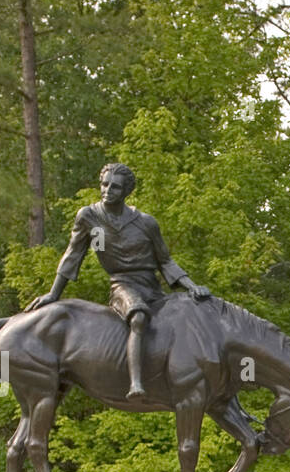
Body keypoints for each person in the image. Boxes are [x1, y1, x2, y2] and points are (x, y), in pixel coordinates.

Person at [25, 163, 210, 399]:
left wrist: (193, 287)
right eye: (104, 184)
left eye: (115, 187)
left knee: (194, 318)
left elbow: (166, 262)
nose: (107, 190)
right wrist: (53, 294)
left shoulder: (146, 222)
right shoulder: (89, 217)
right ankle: (136, 383)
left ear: (126, 192)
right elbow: (73, 255)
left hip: (151, 287)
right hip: (123, 285)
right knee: (139, 317)